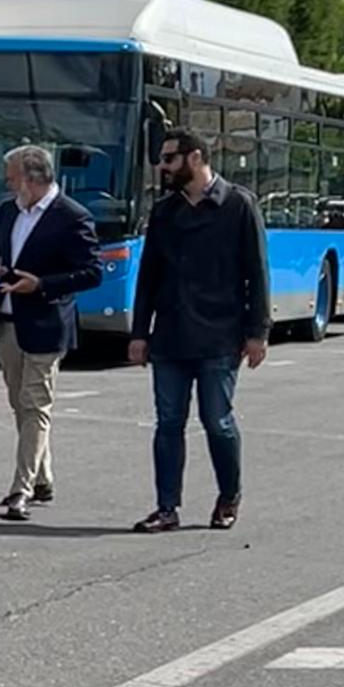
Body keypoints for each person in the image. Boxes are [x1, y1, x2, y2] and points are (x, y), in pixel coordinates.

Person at [129, 127, 270, 533]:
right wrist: (140, 333)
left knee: (218, 421)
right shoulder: (164, 211)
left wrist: (257, 332)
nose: (162, 167)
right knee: (168, 422)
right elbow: (148, 277)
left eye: (169, 158)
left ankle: (229, 496)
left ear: (194, 158)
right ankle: (167, 507)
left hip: (220, 336)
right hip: (171, 335)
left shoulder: (238, 205)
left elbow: (257, 273)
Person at [0, 145, 101, 521]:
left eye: (12, 177)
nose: (7, 183)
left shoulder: (72, 217)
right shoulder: (9, 210)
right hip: (9, 322)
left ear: (32, 179)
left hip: (47, 324)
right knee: (19, 403)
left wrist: (42, 284)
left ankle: (21, 489)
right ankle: (43, 476)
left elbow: (91, 272)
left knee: (35, 405)